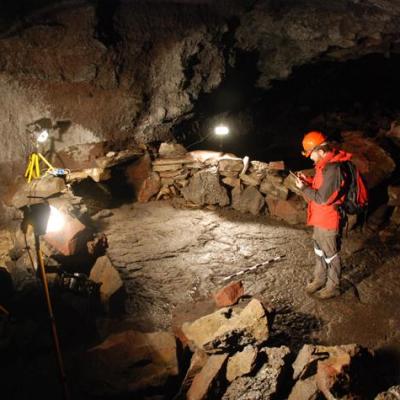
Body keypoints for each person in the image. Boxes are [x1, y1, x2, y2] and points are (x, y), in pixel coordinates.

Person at [294, 131, 352, 299]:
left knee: (330, 254)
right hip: (320, 217)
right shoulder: (324, 165)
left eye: (311, 154)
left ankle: (333, 286)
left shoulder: (334, 168)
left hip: (328, 219)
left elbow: (323, 198)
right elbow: (322, 188)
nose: (310, 158)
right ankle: (320, 279)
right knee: (319, 250)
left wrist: (303, 189)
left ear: (320, 150)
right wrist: (309, 181)